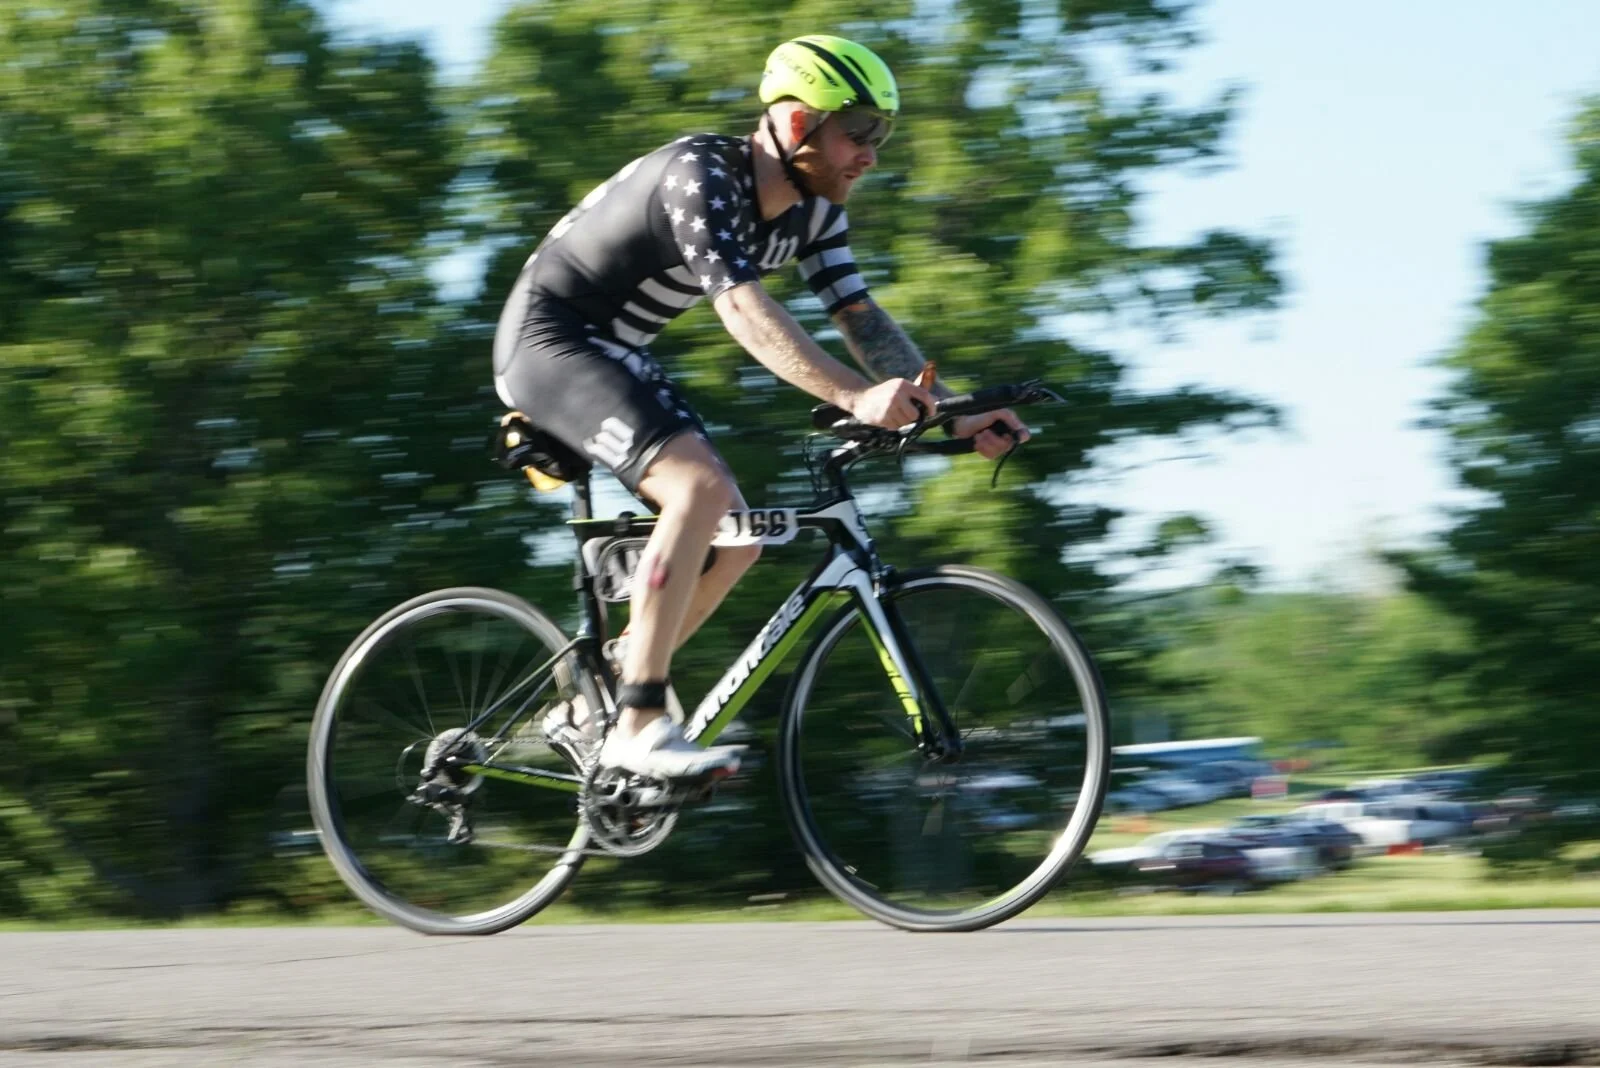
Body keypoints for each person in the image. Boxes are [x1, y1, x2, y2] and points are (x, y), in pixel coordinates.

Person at [492, 34, 1029, 782]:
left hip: (615, 349)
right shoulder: (701, 175)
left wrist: (948, 412)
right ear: (799, 122)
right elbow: (742, 309)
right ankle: (640, 723)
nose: (871, 154)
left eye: (883, 135)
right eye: (860, 132)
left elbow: (859, 314)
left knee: (736, 537)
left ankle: (607, 685)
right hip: (550, 341)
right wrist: (852, 396)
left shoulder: (814, 211)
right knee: (699, 490)